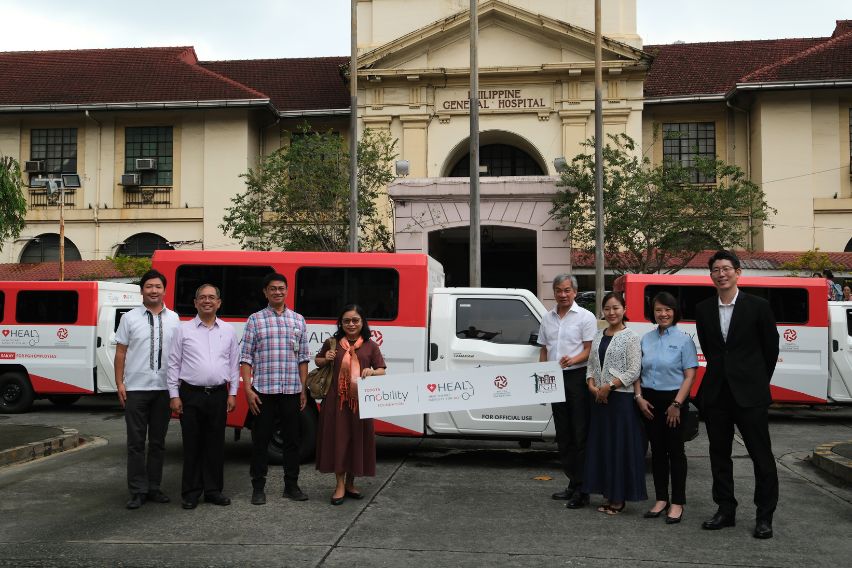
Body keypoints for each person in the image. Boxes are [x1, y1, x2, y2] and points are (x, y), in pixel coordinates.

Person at [695, 250, 780, 539]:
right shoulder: (704, 309)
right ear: (711, 275)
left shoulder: (758, 307)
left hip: (750, 395)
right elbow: (710, 349)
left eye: (726, 268)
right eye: (716, 269)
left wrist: (755, 382)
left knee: (761, 456)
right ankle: (725, 510)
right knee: (719, 456)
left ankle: (764, 516)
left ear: (738, 272)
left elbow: (771, 350)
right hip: (717, 394)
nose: (721, 274)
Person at [240, 273, 311, 505]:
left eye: (281, 288)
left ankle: (291, 486)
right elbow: (246, 357)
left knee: (292, 441)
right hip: (263, 392)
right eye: (273, 289)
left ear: (287, 290)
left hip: (291, 390)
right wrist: (249, 390)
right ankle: (258, 488)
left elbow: (303, 358)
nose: (277, 292)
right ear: (265, 292)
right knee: (260, 440)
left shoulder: (298, 320)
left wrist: (303, 389)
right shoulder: (255, 320)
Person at [167, 284, 240, 510]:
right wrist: (174, 395)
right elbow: (173, 363)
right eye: (202, 298)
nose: (207, 301)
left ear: (219, 302)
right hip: (190, 394)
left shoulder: (228, 330)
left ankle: (213, 490)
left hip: (218, 394)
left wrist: (233, 393)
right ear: (195, 302)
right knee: (192, 445)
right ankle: (190, 492)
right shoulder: (183, 330)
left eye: (212, 297)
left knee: (215, 445)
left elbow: (234, 364)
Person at [114, 269, 180, 510]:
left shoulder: (174, 318)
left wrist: (176, 389)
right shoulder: (129, 318)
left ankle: (154, 487)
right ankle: (137, 490)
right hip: (136, 389)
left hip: (164, 389)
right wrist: (120, 383)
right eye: (149, 286)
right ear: (142, 290)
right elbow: (120, 352)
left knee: (158, 442)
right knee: (135, 443)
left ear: (164, 290)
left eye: (158, 287)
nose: (153, 290)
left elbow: (178, 355)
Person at [581, 292, 646, 514]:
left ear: (624, 309)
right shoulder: (599, 335)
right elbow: (591, 364)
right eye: (607, 308)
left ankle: (619, 499)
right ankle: (608, 495)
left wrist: (610, 386)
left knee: (618, 448)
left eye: (616, 307)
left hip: (620, 400)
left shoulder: (631, 337)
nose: (612, 312)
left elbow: (634, 370)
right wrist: (591, 385)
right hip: (599, 399)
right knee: (604, 448)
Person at [636, 291, 698, 524]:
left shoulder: (684, 340)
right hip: (649, 402)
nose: (663, 314)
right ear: (653, 313)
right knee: (657, 452)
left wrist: (676, 404)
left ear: (675, 312)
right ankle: (661, 499)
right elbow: (638, 372)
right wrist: (639, 398)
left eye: (668, 309)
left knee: (676, 452)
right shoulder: (646, 339)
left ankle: (678, 502)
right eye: (658, 310)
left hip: (674, 401)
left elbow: (690, 375)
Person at [315, 304, 386, 505]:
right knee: (338, 441)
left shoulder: (370, 346)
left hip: (361, 403)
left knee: (357, 441)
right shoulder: (333, 343)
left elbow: (382, 369)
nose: (351, 324)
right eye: (346, 321)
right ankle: (339, 484)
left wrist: (372, 372)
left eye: (355, 320)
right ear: (341, 323)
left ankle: (350, 483)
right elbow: (318, 361)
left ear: (362, 322)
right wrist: (325, 358)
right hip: (335, 402)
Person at [537, 274, 597, 508]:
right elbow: (544, 350)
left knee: (580, 433)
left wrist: (572, 360)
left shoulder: (586, 317)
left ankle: (583, 490)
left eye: (567, 290)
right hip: (553, 378)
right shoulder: (547, 318)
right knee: (563, 435)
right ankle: (572, 482)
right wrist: (541, 377)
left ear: (575, 292)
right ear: (554, 292)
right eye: (559, 290)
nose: (563, 294)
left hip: (576, 377)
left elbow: (589, 350)